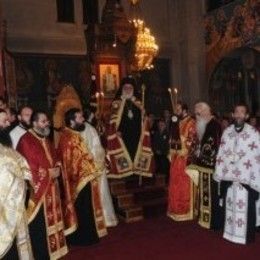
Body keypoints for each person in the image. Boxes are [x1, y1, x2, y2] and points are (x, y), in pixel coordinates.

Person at [17, 111, 69, 259]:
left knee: (54, 219)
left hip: (53, 188)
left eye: (47, 121)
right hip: (39, 192)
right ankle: (42, 255)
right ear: (34, 123)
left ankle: (55, 251)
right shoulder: (26, 140)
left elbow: (55, 156)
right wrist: (48, 173)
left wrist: (58, 167)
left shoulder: (46, 138)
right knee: (40, 225)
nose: (47, 123)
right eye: (43, 121)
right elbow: (28, 168)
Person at [58, 108, 107, 246]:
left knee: (85, 207)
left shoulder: (71, 134)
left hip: (83, 177)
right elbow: (72, 161)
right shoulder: (69, 137)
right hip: (78, 179)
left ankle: (87, 236)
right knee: (82, 207)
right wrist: (92, 167)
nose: (83, 119)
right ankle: (82, 238)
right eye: (79, 117)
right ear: (72, 120)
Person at [214, 104, 260, 244]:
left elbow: (257, 155)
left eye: (242, 112)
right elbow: (221, 154)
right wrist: (221, 171)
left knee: (245, 206)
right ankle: (230, 234)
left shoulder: (253, 133)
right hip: (229, 177)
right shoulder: (227, 132)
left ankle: (245, 237)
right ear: (232, 114)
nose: (239, 115)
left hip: (246, 178)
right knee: (230, 205)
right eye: (237, 112)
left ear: (246, 116)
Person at [106, 76, 154, 178]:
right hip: (123, 134)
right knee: (126, 152)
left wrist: (144, 116)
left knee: (136, 152)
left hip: (137, 133)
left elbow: (143, 118)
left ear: (133, 89)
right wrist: (117, 130)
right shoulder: (116, 103)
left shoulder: (138, 103)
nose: (128, 90)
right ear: (122, 89)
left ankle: (137, 171)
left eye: (130, 88)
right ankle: (126, 173)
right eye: (126, 88)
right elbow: (113, 121)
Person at [0, 114, 33, 260]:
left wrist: (24, 180)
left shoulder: (6, 147)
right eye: (4, 121)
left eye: (7, 119)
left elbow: (22, 164)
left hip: (15, 204)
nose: (8, 123)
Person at [186, 102, 222, 229]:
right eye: (196, 113)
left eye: (198, 113)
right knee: (204, 192)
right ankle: (204, 217)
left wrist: (200, 153)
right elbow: (198, 143)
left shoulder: (214, 125)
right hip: (202, 165)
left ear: (206, 112)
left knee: (211, 194)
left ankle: (212, 221)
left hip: (210, 166)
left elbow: (213, 146)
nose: (197, 116)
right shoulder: (203, 124)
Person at [81, 119, 118, 227]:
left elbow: (97, 148)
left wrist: (91, 161)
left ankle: (104, 219)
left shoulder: (90, 129)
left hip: (94, 167)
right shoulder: (70, 131)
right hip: (82, 170)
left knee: (100, 193)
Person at [167, 102, 197, 221]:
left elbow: (192, 139)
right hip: (176, 157)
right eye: (176, 109)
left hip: (185, 158)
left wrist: (185, 148)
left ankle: (185, 210)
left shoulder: (191, 122)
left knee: (183, 183)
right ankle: (175, 209)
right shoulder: (177, 122)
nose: (176, 111)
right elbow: (173, 138)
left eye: (178, 109)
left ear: (185, 109)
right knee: (174, 182)